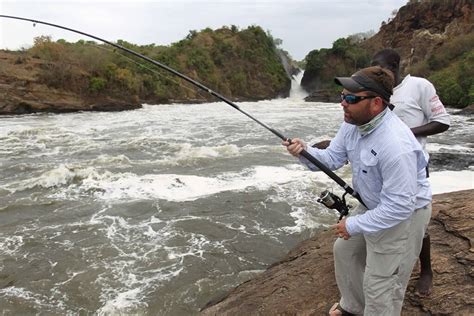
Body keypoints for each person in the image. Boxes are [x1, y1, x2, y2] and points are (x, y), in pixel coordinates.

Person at [283, 66, 431, 315]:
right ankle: (353, 308)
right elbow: (331, 157)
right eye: (342, 96)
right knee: (345, 251)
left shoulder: (396, 145)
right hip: (374, 204)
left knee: (381, 284)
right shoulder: (353, 124)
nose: (343, 103)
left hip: (404, 216)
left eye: (351, 99)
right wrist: (305, 151)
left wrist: (352, 225)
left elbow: (399, 206)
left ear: (376, 103)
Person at [371, 48, 450, 296]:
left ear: (395, 66)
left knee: (417, 219)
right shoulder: (377, 91)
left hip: (412, 165)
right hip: (382, 166)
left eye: (381, 68)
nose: (377, 73)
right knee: (385, 214)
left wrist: (407, 133)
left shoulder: (420, 86)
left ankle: (426, 270)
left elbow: (443, 121)